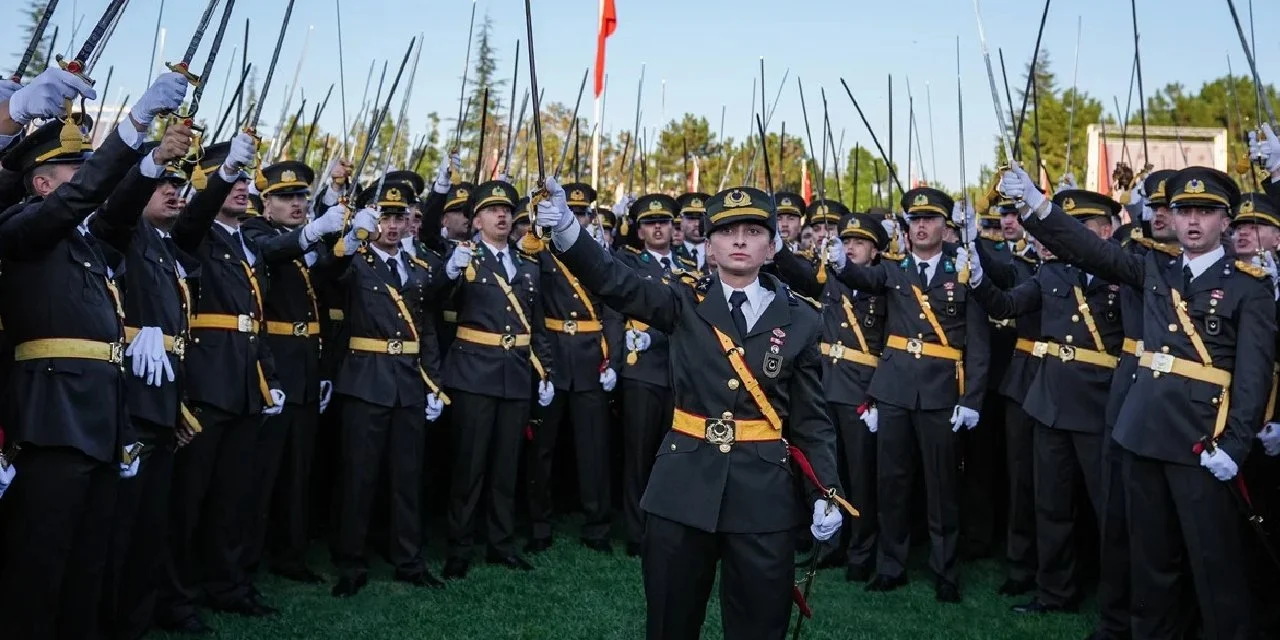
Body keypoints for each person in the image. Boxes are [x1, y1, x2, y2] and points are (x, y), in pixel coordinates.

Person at [535, 179, 849, 639]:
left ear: (773, 245)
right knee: (670, 623)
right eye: (726, 231)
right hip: (682, 488)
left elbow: (810, 419)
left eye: (753, 230)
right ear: (709, 246)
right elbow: (614, 281)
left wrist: (826, 490)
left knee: (760, 626)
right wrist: (566, 229)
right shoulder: (683, 299)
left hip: (764, 497)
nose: (739, 240)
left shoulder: (801, 318)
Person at [1001, 163, 1275, 639]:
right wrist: (1037, 205)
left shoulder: (1248, 286)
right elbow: (1088, 249)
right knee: (1150, 557)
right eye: (1183, 210)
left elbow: (1251, 377)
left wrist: (1234, 445)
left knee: (1213, 560)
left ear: (1225, 222)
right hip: (1143, 433)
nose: (1192, 221)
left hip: (1201, 441)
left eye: (1205, 213)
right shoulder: (1153, 267)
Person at [0, 68, 189, 639]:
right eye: (73, 173)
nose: (87, 182)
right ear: (42, 185)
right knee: (41, 568)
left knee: (89, 565)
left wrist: (150, 163)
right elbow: (86, 196)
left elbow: (116, 208)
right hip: (53, 417)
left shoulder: (84, 241)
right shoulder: (22, 229)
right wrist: (130, 127)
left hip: (102, 420)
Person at [826, 187, 990, 602]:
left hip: (940, 392)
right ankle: (890, 565)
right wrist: (841, 262)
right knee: (891, 484)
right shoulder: (894, 270)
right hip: (895, 390)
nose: (921, 226)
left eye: (930, 219)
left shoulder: (963, 270)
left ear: (944, 226)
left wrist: (971, 400)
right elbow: (862, 277)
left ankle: (945, 571)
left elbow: (979, 343)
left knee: (941, 489)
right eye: (914, 220)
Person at [967, 189, 1125, 614]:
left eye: (1081, 229)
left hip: (1100, 404)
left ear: (1106, 232)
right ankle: (1055, 591)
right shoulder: (1052, 274)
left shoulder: (1122, 276)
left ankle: (1119, 603)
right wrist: (978, 278)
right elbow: (1008, 304)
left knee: (1111, 511)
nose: (1069, 238)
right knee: (1050, 505)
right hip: (1050, 402)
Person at [157, 132, 286, 630]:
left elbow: (255, 316)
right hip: (207, 384)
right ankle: (178, 597)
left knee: (234, 497)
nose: (239, 189)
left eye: (241, 180)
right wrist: (220, 175)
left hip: (245, 381)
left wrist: (268, 377)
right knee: (191, 500)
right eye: (224, 179)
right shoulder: (192, 231)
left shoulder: (247, 240)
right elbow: (190, 220)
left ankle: (227, 583)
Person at [89, 130, 206, 640]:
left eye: (179, 184)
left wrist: (176, 406)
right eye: (163, 184)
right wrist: (152, 161)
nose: (173, 190)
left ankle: (135, 622)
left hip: (160, 402)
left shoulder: (164, 246)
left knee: (148, 528)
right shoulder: (119, 232)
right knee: (117, 529)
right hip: (126, 403)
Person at [323, 182, 447, 597]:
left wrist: (433, 381)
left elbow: (426, 329)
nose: (392, 226)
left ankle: (409, 560)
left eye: (398, 217)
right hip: (365, 379)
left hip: (408, 383)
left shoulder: (417, 269)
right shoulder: (354, 261)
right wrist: (350, 234)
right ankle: (351, 563)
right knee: (359, 476)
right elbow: (327, 271)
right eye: (384, 217)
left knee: (406, 478)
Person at [440, 179, 554, 578]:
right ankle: (459, 547)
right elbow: (434, 302)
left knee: (507, 466)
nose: (502, 215)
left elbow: (536, 324)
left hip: (515, 374)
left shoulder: (527, 263)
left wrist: (545, 369)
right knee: (469, 467)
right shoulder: (464, 258)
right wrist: (449, 272)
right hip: (473, 372)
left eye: (506, 210)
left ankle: (500, 544)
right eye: (491, 210)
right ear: (476, 220)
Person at [240, 161, 342, 585]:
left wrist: (345, 240)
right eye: (285, 198)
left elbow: (325, 281)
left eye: (301, 197)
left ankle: (290, 554)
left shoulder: (303, 241)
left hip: (305, 362)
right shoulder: (255, 233)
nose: (297, 204)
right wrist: (315, 233)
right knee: (262, 472)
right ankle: (246, 558)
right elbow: (276, 253)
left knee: (298, 471)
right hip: (274, 363)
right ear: (266, 204)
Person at [772, 210, 887, 583]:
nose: (851, 248)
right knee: (828, 472)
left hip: (862, 391)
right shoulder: (830, 278)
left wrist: (878, 395)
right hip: (827, 385)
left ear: (875, 250)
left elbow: (891, 345)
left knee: (862, 477)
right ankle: (832, 545)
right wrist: (777, 246)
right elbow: (799, 277)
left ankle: (862, 552)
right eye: (847, 241)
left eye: (860, 243)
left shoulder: (884, 285)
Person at [524, 181, 624, 555]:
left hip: (590, 360)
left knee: (594, 449)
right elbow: (531, 309)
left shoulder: (597, 255)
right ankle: (538, 524)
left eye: (583, 214)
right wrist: (541, 362)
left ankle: (597, 526)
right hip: (552, 356)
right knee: (542, 449)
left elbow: (612, 312)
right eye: (573, 212)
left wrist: (612, 359)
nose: (578, 219)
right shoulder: (541, 251)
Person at [614, 193, 682, 556]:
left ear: (674, 228)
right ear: (639, 231)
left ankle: (666, 527)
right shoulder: (630, 261)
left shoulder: (688, 264)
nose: (658, 228)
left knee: (672, 457)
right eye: (650, 223)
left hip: (679, 371)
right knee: (638, 455)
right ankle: (636, 532)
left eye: (664, 222)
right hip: (643, 369)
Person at [676, 192, 710, 270]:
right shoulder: (670, 253)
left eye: (702, 219)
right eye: (691, 218)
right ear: (681, 221)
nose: (697, 224)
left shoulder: (718, 254)